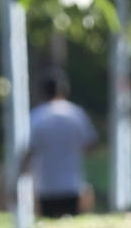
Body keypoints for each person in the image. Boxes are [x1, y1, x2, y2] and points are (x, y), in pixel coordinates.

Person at [20, 69, 97, 219]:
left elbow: (29, 151)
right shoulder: (77, 114)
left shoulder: (36, 117)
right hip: (72, 184)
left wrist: (19, 179)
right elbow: (91, 146)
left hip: (46, 185)